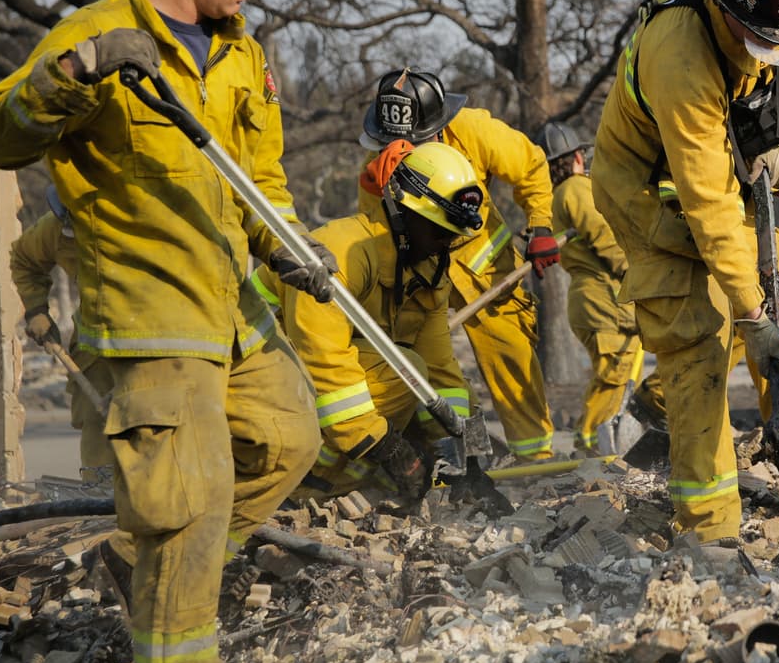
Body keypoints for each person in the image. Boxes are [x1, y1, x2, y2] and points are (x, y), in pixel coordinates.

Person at [0, 0, 328, 663]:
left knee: (291, 438)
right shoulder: (97, 33)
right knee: (192, 502)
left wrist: (287, 245)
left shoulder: (243, 55)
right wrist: (77, 73)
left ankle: (141, 564)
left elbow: (264, 181)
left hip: (232, 307)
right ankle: (176, 653)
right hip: (149, 316)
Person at [591, 0, 779, 545]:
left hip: (717, 181)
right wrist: (750, 316)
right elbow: (707, 206)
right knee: (696, 345)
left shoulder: (770, 22)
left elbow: (771, 92)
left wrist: (778, 147)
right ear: (725, 6)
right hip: (650, 197)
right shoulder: (680, 57)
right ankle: (710, 530)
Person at [253, 141, 482, 499]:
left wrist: (464, 457)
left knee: (434, 382)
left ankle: (356, 480)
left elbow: (442, 374)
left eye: (452, 236)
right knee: (405, 371)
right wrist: (387, 448)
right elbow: (325, 362)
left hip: (303, 382)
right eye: (440, 232)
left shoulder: (426, 272)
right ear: (406, 212)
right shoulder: (343, 254)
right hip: (256, 366)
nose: (445, 243)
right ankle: (308, 484)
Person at [358, 68, 558, 462]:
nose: (405, 151)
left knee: (512, 359)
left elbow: (531, 166)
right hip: (419, 276)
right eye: (396, 143)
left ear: (438, 125)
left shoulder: (472, 130)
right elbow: (375, 230)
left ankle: (536, 460)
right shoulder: (379, 162)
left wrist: (540, 226)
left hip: (487, 275)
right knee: (422, 368)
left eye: (414, 142)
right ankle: (452, 456)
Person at [538, 121, 664, 455]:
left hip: (595, 297)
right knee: (614, 371)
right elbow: (604, 236)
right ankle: (591, 445)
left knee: (616, 372)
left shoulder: (554, 196)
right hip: (602, 296)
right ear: (576, 158)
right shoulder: (576, 189)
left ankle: (598, 442)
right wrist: (637, 273)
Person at [9, 185, 114, 483]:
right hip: (95, 348)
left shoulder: (140, 224)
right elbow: (24, 259)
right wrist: (36, 310)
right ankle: (100, 499)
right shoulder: (58, 227)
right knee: (98, 422)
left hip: (158, 343)